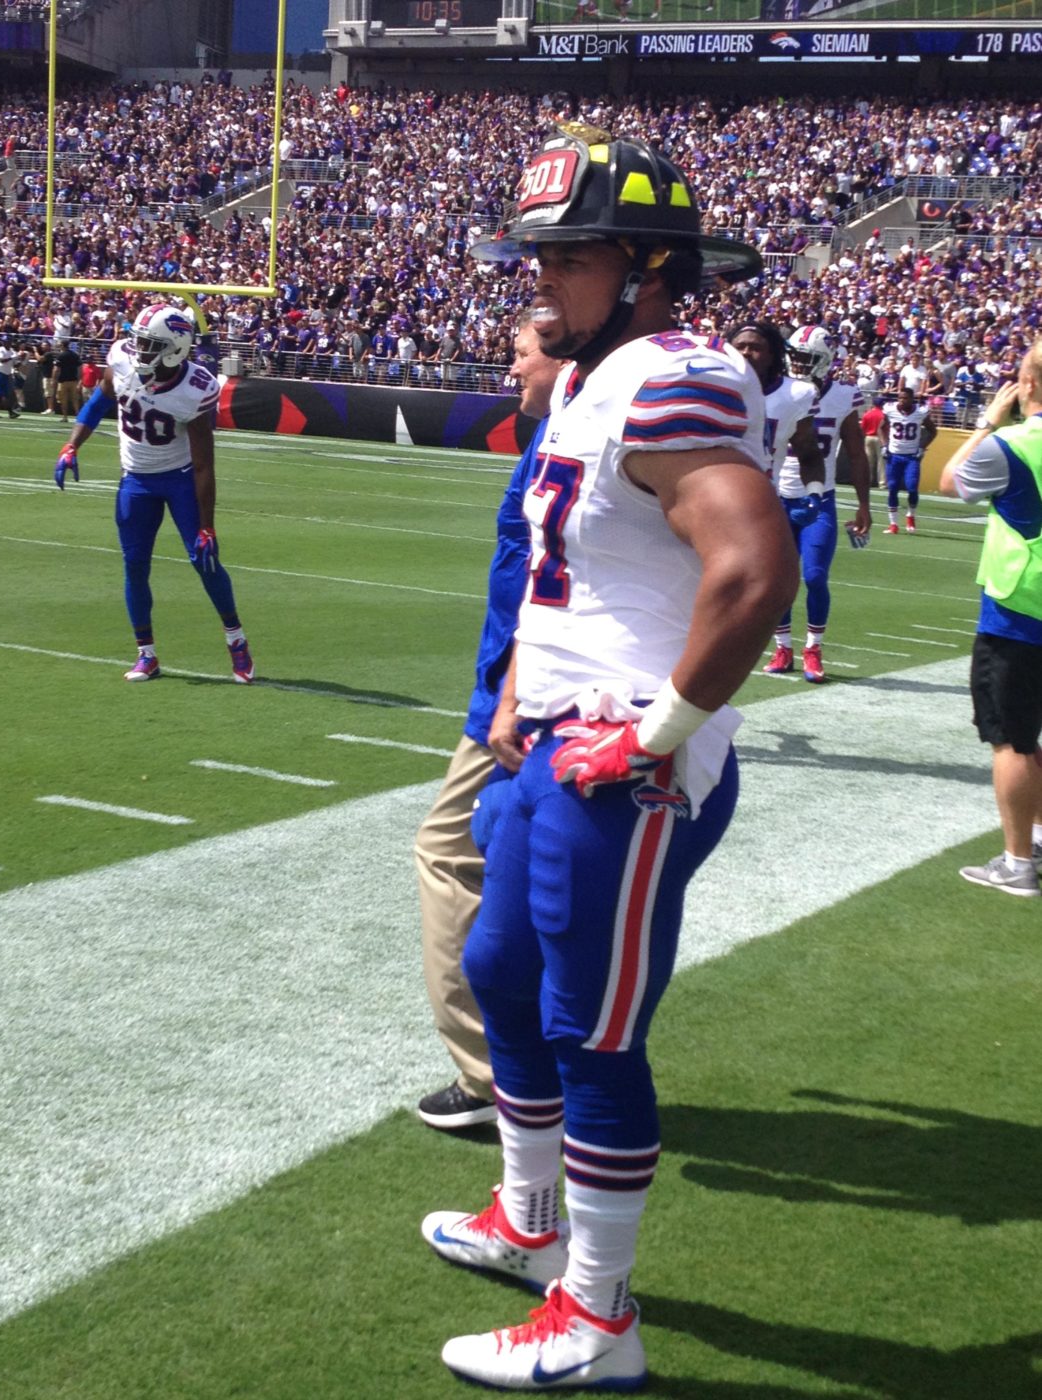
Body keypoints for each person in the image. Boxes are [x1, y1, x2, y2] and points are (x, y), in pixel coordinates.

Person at [419, 129, 797, 1391]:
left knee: (592, 1029)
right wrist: (525, 690)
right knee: (498, 971)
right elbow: (570, 568)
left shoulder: (675, 373)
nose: (541, 282)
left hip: (624, 768)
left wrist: (654, 736)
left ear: (644, 263)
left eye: (566, 255)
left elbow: (753, 570)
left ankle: (599, 1314)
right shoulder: (597, 374)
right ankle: (529, 1221)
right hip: (560, 742)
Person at [415, 315, 564, 1132]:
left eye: (521, 353)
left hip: (526, 694)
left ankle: (491, 1075)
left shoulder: (573, 429)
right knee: (525, 870)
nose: (511, 370)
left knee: (449, 854)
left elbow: (546, 577)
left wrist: (507, 692)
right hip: (534, 686)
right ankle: (534, 1065)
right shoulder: (567, 425)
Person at [53, 302, 255, 684]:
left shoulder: (195, 388)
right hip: (136, 480)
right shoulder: (123, 360)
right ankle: (146, 653)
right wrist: (71, 445)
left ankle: (236, 641)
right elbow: (99, 401)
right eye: (139, 342)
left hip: (179, 479)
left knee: (204, 561)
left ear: (175, 348)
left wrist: (207, 525)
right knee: (134, 565)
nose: (139, 350)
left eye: (150, 344)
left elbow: (203, 464)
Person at [939, 342, 1042, 898]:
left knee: (1011, 739)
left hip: (1020, 607)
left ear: (1027, 384)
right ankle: (1039, 838)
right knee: (1031, 736)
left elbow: (950, 482)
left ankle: (1017, 862)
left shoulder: (1013, 444)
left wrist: (984, 422)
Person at [756, 324, 872, 685]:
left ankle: (813, 648)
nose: (799, 364)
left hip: (818, 496)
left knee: (815, 576)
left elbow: (855, 452)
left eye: (807, 358)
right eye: (796, 357)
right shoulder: (783, 391)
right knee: (778, 580)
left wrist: (863, 505)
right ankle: (783, 647)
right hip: (775, 494)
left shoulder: (842, 396)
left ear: (824, 361)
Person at [729, 320, 826, 680]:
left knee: (769, 583)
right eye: (739, 345)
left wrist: (814, 493)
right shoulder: (715, 386)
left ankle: (793, 647)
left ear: (773, 355)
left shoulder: (795, 395)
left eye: (755, 347)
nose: (746, 353)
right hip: (713, 500)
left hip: (759, 502)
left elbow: (808, 452)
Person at [879, 387, 937, 534]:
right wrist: (884, 445)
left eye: (905, 398)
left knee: (912, 488)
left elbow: (933, 431)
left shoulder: (920, 412)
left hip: (911, 457)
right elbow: (880, 428)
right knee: (892, 488)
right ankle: (893, 524)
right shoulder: (890, 410)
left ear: (912, 399)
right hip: (894, 455)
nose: (901, 401)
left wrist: (922, 447)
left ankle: (910, 515)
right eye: (900, 398)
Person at [50, 340, 81, 424]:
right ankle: (78, 416)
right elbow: (79, 368)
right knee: (75, 400)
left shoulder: (61, 355)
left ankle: (65, 417)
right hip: (73, 380)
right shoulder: (75, 355)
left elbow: (56, 369)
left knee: (63, 400)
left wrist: (53, 380)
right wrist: (79, 379)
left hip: (63, 381)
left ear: (62, 346)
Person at [861, 394, 886, 487]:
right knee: (881, 462)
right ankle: (882, 483)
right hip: (880, 438)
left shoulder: (867, 414)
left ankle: (868, 481)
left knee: (868, 461)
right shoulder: (883, 414)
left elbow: (863, 428)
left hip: (868, 437)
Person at [0, 340, 20, 418]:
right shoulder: (0, 350)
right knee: (4, 393)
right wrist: (12, 357)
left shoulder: (12, 351)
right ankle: (10, 412)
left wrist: (20, 360)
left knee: (0, 394)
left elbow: (15, 364)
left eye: (8, 342)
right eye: (5, 342)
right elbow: (1, 360)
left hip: (6, 374)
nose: (7, 343)